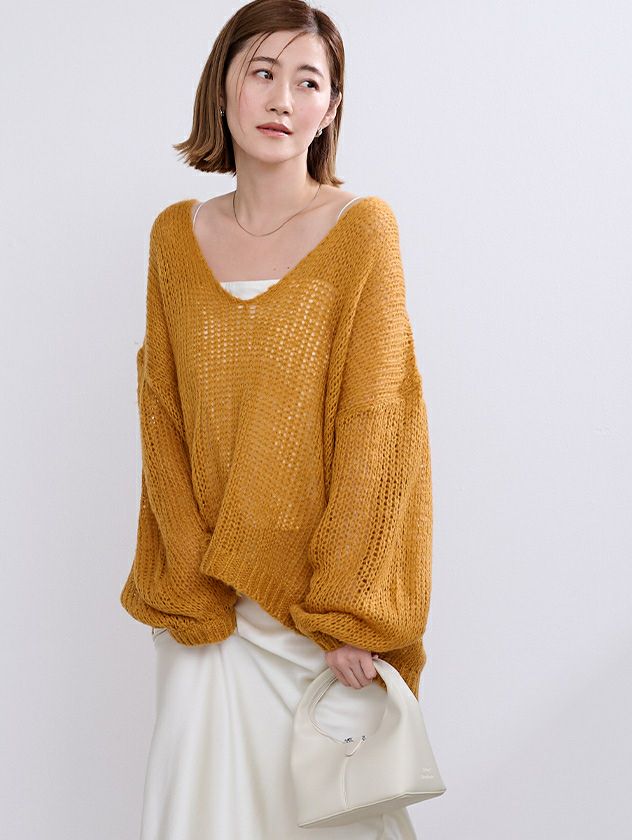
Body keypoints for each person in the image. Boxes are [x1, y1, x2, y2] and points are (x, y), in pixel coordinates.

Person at [120, 1, 434, 837]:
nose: (282, 100)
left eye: (308, 81)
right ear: (221, 88)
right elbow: (162, 414)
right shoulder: (175, 237)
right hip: (207, 614)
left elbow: (378, 426)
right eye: (262, 72)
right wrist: (190, 584)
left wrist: (349, 611)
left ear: (330, 109)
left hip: (315, 623)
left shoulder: (362, 230)